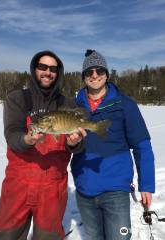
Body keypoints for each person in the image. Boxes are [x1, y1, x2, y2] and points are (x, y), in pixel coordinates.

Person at [0, 50, 86, 240]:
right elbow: (12, 134)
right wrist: (26, 140)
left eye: (53, 69)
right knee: (6, 235)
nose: (47, 72)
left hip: (52, 189)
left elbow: (78, 146)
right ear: (34, 69)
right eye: (42, 67)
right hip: (18, 186)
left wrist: (74, 143)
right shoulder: (17, 99)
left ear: (58, 73)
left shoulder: (67, 103)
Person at [70, 49, 155, 240]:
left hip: (116, 190)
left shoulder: (125, 104)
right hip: (84, 190)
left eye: (99, 70)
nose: (94, 75)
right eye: (89, 72)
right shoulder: (74, 106)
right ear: (84, 77)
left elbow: (142, 145)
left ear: (106, 74)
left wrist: (146, 184)